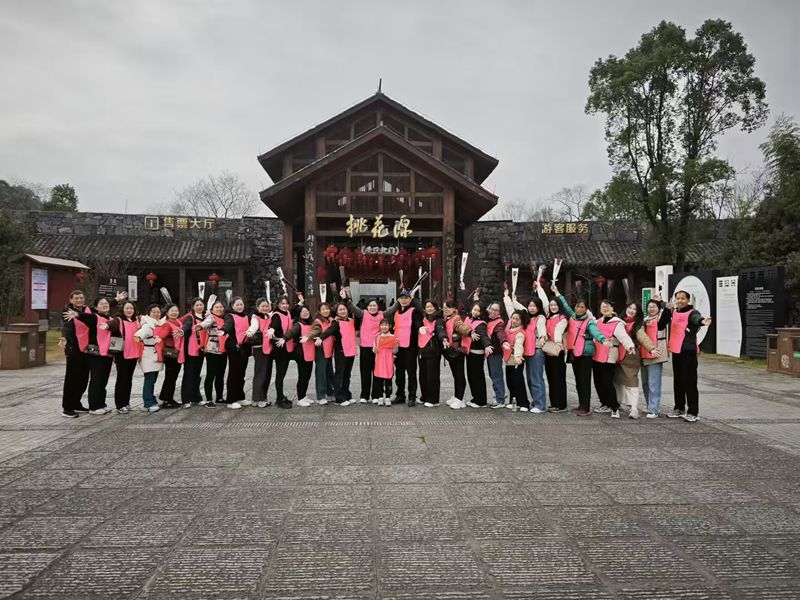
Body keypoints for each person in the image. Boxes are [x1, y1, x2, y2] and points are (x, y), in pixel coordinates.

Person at [553, 284, 608, 417]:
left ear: (586, 309)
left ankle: (586, 407)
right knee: (578, 381)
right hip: (575, 353)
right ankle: (581, 405)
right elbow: (565, 305)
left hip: (585, 354)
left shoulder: (589, 321)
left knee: (585, 381)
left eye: (582, 307)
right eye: (577, 306)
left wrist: (602, 339)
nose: (579, 309)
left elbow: (595, 332)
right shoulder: (572, 317)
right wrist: (557, 293)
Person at [62, 297, 119, 415]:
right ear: (96, 307)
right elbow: (85, 317)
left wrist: (116, 299)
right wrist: (77, 314)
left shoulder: (110, 319)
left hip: (107, 354)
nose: (104, 305)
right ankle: (94, 406)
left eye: (106, 303)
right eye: (101, 304)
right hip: (96, 354)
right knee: (96, 380)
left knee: (103, 380)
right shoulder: (94, 317)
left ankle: (101, 404)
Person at [662, 290, 712, 422]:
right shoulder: (674, 311)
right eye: (678, 298)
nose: (680, 301)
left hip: (688, 351)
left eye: (683, 298)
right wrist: (665, 308)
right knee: (678, 382)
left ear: (688, 300)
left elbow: (696, 319)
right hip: (676, 351)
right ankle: (679, 408)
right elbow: (662, 323)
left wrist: (702, 321)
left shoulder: (692, 312)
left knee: (689, 382)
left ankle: (693, 412)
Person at [503, 289, 547, 413]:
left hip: (536, 350)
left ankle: (540, 405)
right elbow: (512, 308)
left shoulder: (540, 318)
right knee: (529, 379)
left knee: (536, 378)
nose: (532, 308)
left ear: (539, 307)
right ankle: (536, 401)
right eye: (530, 306)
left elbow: (541, 327)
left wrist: (542, 336)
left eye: (534, 306)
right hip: (526, 351)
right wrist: (508, 298)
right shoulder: (526, 316)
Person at [591, 300, 635, 419]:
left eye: (607, 306)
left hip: (609, 355)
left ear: (612, 308)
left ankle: (614, 407)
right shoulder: (597, 322)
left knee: (607, 382)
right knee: (598, 382)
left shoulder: (617, 323)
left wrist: (630, 346)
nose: (604, 308)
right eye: (602, 307)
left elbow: (623, 337)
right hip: (596, 354)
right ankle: (604, 403)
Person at [617, 301, 659, 419]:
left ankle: (634, 407)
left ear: (638, 312)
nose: (631, 310)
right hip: (617, 354)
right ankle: (619, 403)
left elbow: (642, 336)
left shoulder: (638, 324)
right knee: (617, 380)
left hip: (631, 355)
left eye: (634, 309)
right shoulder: (619, 321)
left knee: (631, 380)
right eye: (630, 308)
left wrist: (651, 348)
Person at [343, 292, 384, 403]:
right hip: (365, 347)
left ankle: (376, 395)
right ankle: (364, 395)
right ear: (367, 307)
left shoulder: (382, 314)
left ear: (378, 307)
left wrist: (400, 300)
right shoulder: (363, 314)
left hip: (378, 347)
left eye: (374, 305)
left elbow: (393, 309)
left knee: (377, 372)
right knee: (365, 372)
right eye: (370, 305)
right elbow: (353, 308)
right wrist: (347, 299)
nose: (372, 307)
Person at [384, 289, 423, 406]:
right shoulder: (396, 313)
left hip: (410, 347)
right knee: (399, 373)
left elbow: (418, 323)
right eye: (402, 298)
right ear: (399, 300)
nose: (404, 300)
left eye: (406, 298)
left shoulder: (414, 311)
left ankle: (412, 396)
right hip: (398, 347)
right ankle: (400, 395)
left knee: (411, 373)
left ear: (410, 299)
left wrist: (420, 327)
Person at [58, 290, 93, 417]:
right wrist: (64, 338)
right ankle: (67, 407)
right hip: (74, 348)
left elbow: (101, 308)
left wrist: (116, 300)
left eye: (81, 298)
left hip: (86, 348)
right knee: (72, 379)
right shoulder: (68, 311)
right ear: (71, 300)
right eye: (76, 298)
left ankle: (76, 403)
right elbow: (67, 327)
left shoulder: (87, 310)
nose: (79, 300)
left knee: (83, 378)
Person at [320, 302, 359, 406]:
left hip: (351, 351)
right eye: (340, 310)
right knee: (339, 374)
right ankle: (339, 397)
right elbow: (329, 331)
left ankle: (346, 394)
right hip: (341, 351)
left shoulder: (352, 320)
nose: (343, 311)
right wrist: (321, 338)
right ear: (336, 312)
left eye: (344, 309)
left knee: (347, 374)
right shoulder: (336, 323)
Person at [437, 299, 471, 410]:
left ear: (454, 309)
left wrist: (469, 332)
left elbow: (461, 326)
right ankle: (457, 396)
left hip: (458, 351)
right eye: (444, 307)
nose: (446, 309)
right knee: (455, 375)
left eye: (448, 307)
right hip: (452, 351)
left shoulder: (456, 318)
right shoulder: (446, 318)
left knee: (459, 375)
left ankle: (460, 399)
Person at [640, 297, 670, 418]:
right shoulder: (644, 320)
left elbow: (665, 318)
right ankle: (650, 406)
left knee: (654, 383)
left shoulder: (660, 319)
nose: (651, 309)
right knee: (645, 383)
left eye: (654, 306)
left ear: (659, 308)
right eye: (650, 306)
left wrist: (663, 305)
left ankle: (654, 409)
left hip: (656, 353)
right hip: (644, 353)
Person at [282, 305, 316, 406]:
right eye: (303, 312)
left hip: (309, 353)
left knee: (307, 375)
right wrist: (284, 338)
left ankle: (304, 396)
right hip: (301, 353)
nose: (306, 313)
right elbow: (291, 332)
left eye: (307, 311)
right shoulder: (298, 324)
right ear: (299, 314)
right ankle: (300, 398)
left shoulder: (311, 323)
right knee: (303, 376)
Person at [222, 297, 251, 409]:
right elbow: (228, 325)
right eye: (237, 305)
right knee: (234, 373)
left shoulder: (245, 315)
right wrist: (223, 330)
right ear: (232, 306)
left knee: (241, 373)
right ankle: (231, 399)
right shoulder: (230, 316)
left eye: (241, 304)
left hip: (244, 347)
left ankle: (240, 397)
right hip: (234, 346)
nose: (240, 307)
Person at [114, 301, 143, 414]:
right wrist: (106, 325)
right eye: (127, 308)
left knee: (128, 379)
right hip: (122, 354)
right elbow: (111, 324)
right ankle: (120, 404)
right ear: (123, 309)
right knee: (122, 378)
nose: (129, 310)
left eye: (131, 308)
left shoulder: (137, 321)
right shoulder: (119, 320)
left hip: (134, 353)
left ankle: (126, 402)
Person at [462, 301, 493, 408]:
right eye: (474, 309)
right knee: (472, 377)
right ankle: (476, 398)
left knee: (477, 377)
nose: (475, 312)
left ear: (482, 312)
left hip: (477, 354)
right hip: (470, 352)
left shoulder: (481, 324)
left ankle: (480, 401)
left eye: (478, 311)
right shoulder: (469, 319)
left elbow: (484, 336)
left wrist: (487, 345)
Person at [134, 303, 164, 413]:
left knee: (153, 379)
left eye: (158, 312)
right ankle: (148, 403)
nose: (156, 314)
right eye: (154, 312)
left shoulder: (159, 323)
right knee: (149, 379)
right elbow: (140, 333)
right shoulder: (148, 324)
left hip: (155, 353)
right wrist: (138, 337)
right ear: (149, 313)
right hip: (148, 354)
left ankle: (151, 398)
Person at [154, 304, 184, 409]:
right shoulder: (167, 324)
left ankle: (168, 398)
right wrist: (159, 338)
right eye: (172, 311)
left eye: (176, 311)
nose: (174, 313)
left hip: (177, 353)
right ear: (167, 313)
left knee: (173, 377)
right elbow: (163, 334)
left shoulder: (178, 322)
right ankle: (167, 400)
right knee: (170, 377)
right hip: (171, 354)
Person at [200, 300, 228, 408]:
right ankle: (209, 399)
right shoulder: (211, 317)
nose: (219, 309)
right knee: (211, 374)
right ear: (212, 310)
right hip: (212, 349)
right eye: (217, 307)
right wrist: (200, 326)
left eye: (221, 307)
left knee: (220, 374)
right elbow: (205, 323)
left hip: (223, 349)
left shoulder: (225, 318)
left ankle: (219, 397)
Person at [245, 298, 273, 407]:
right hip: (259, 348)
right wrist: (250, 332)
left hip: (269, 348)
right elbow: (253, 326)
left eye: (267, 306)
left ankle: (263, 396)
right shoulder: (255, 318)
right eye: (263, 306)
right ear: (258, 307)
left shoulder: (269, 316)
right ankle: (256, 398)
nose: (265, 308)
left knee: (267, 373)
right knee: (260, 373)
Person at [269, 295, 295, 409]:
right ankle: (279, 399)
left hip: (287, 348)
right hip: (280, 350)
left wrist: (300, 301)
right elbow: (273, 325)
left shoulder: (287, 313)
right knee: (280, 375)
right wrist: (271, 329)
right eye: (282, 303)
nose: (285, 305)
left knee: (282, 374)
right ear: (278, 304)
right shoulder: (276, 315)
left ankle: (281, 396)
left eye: (286, 303)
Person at [544, 295, 568, 412]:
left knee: (558, 378)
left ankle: (561, 405)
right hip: (548, 350)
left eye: (555, 305)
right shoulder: (548, 317)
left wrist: (558, 341)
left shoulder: (562, 318)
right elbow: (543, 300)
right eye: (551, 305)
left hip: (558, 351)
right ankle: (554, 403)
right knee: (551, 378)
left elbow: (559, 330)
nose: (553, 307)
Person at [181, 298, 207, 408]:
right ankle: (186, 400)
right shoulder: (190, 318)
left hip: (201, 350)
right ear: (192, 306)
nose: (199, 307)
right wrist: (182, 331)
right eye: (197, 305)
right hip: (190, 351)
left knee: (197, 375)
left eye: (201, 305)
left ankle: (196, 398)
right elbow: (186, 327)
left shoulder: (206, 318)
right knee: (189, 374)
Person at [309, 301, 335, 404]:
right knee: (321, 374)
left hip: (329, 350)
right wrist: (309, 336)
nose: (326, 311)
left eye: (327, 309)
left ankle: (330, 393)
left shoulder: (331, 320)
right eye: (323, 309)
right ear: (319, 311)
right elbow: (315, 331)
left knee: (329, 373)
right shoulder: (317, 321)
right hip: (321, 350)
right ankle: (321, 396)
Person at [417, 299, 442, 407]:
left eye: (431, 306)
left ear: (435, 308)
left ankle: (433, 400)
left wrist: (443, 338)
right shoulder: (423, 319)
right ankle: (424, 396)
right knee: (423, 375)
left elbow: (441, 331)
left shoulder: (439, 320)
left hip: (433, 351)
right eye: (427, 307)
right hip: (422, 351)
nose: (429, 308)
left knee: (432, 376)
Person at [503, 310, 528, 410]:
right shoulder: (509, 330)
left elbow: (519, 345)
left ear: (521, 321)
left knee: (518, 382)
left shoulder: (520, 333)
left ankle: (524, 403)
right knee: (510, 381)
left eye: (517, 319)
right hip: (508, 360)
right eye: (513, 318)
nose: (514, 321)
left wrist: (518, 356)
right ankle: (514, 401)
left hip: (517, 360)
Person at [485, 301, 507, 408]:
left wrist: (504, 341)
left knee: (496, 376)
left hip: (496, 353)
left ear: (499, 312)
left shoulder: (499, 323)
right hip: (490, 353)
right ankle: (499, 395)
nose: (493, 312)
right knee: (493, 375)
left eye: (496, 310)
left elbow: (500, 333)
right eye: (492, 309)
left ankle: (500, 399)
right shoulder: (488, 319)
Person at [373, 318, 399, 405]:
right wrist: (375, 349)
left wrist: (396, 345)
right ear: (380, 326)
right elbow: (374, 350)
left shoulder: (393, 337)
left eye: (386, 325)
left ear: (389, 326)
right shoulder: (377, 337)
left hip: (388, 361)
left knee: (388, 379)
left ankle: (388, 397)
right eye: (382, 325)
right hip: (379, 361)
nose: (384, 327)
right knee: (379, 379)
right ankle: (380, 397)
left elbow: (395, 351)